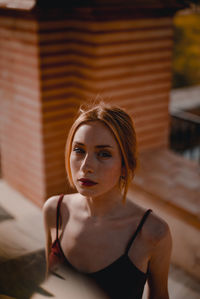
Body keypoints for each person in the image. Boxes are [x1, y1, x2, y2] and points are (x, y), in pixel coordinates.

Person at [43, 101, 172, 299]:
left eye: (104, 154)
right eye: (79, 150)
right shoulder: (55, 210)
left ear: (125, 164)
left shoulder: (153, 233)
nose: (86, 166)